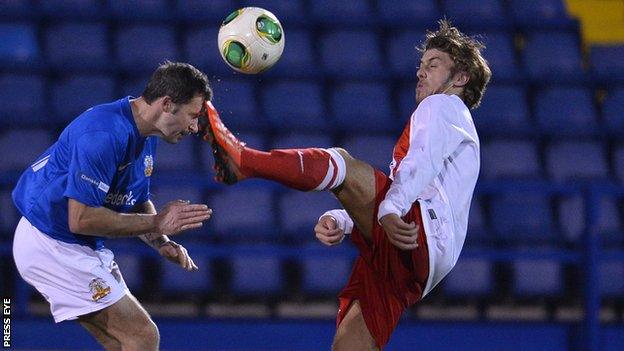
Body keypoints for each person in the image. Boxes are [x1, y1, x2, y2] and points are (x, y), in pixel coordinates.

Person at [200, 20, 491, 350]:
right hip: (417, 264)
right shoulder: (454, 125)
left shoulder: (443, 105)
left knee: (342, 163)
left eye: (433, 65)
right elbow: (419, 184)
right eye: (421, 65)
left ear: (461, 78)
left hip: (418, 234)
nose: (420, 73)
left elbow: (419, 163)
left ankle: (244, 161)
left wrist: (391, 208)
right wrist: (345, 220)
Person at [12, 61, 213, 350]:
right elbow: (80, 220)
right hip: (52, 242)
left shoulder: (147, 132)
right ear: (167, 104)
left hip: (69, 243)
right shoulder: (104, 135)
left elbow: (136, 202)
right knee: (142, 336)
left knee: (121, 344)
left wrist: (161, 241)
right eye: (193, 116)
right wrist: (158, 222)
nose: (195, 127)